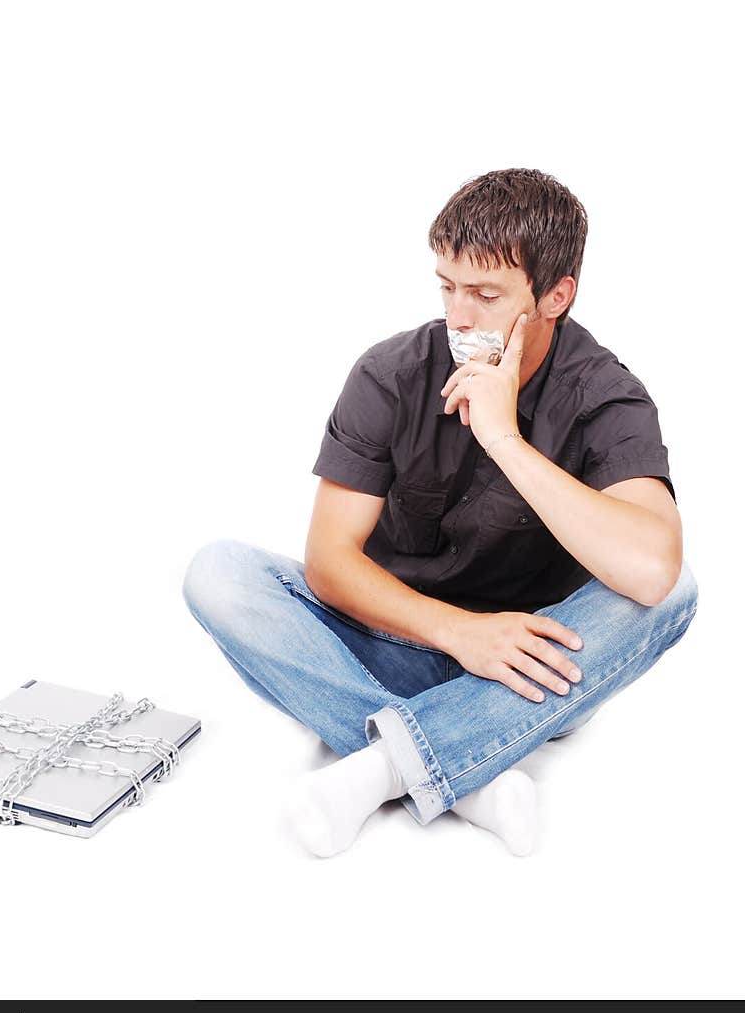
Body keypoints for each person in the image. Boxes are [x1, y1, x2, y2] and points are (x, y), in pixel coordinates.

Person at [182, 167, 698, 858]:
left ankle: (388, 768)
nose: (459, 316)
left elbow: (651, 565)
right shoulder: (390, 373)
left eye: (486, 295)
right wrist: (459, 633)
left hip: (532, 667)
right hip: (395, 640)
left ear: (555, 296)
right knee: (216, 571)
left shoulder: (605, 393)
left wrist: (505, 439)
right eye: (448, 286)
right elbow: (330, 561)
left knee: (672, 589)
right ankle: (472, 768)